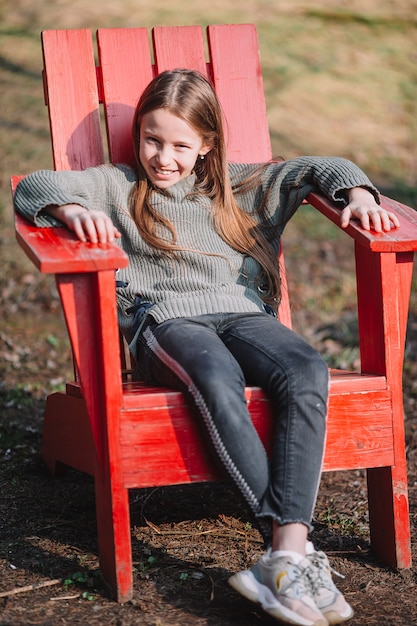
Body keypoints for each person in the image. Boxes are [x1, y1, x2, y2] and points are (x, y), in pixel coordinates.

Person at [14, 69, 399, 626]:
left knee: (305, 368)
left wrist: (359, 195)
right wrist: (74, 211)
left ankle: (286, 556)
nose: (162, 157)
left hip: (243, 315)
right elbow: (34, 186)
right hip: (169, 323)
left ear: (207, 146)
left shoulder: (238, 187)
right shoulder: (116, 184)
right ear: (137, 135)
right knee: (216, 376)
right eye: (151, 139)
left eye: (179, 145)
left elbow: (319, 168)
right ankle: (291, 552)